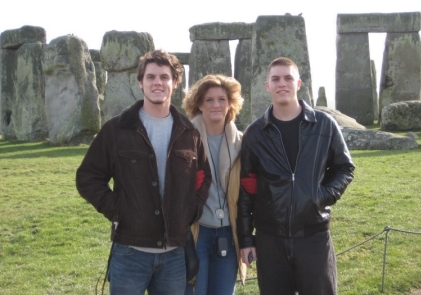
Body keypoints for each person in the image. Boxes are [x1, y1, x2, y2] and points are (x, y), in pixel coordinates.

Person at [76, 50, 212, 295]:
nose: (157, 82)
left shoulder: (188, 132)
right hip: (130, 251)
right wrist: (116, 209)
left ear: (175, 83)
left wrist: (192, 211)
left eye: (164, 77)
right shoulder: (117, 129)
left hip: (174, 254)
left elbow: (204, 178)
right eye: (150, 77)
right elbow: (88, 177)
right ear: (141, 83)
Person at [237, 57, 355, 295]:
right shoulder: (255, 133)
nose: (283, 84)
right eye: (276, 79)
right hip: (270, 238)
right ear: (267, 85)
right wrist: (247, 239)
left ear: (298, 83)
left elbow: (344, 168)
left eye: (288, 78)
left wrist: (321, 195)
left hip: (313, 234)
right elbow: (247, 189)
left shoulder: (324, 125)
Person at [182, 74, 247, 295]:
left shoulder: (242, 143)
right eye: (209, 99)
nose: (216, 105)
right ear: (199, 104)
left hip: (229, 233)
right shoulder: (183, 141)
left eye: (222, 99)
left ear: (230, 103)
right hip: (196, 231)